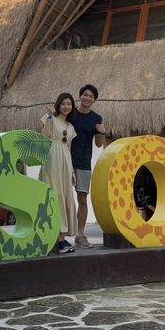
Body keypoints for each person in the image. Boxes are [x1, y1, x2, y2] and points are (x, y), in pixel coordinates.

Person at [40, 92, 78, 254]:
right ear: (58, 104)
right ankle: (57, 238)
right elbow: (44, 136)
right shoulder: (50, 118)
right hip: (51, 161)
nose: (66, 106)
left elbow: (68, 148)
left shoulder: (71, 128)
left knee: (65, 195)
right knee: (54, 195)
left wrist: (72, 171)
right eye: (63, 103)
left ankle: (62, 237)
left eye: (69, 104)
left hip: (65, 163)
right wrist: (50, 117)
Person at [71, 84, 105, 249]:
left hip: (84, 162)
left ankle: (80, 235)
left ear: (94, 100)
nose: (87, 98)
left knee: (82, 200)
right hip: (66, 161)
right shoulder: (70, 113)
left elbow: (99, 144)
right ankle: (58, 235)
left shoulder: (96, 118)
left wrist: (101, 132)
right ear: (80, 96)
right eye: (85, 94)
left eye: (91, 96)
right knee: (61, 197)